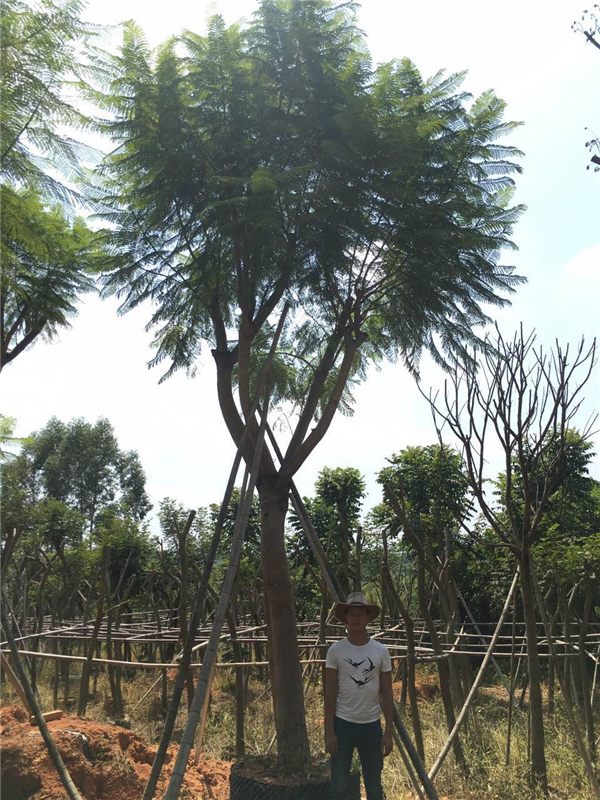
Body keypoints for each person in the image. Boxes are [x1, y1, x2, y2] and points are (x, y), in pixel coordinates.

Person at [324, 591, 393, 800]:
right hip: (342, 724)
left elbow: (387, 692)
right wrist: (329, 731)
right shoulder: (335, 651)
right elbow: (329, 690)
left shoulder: (380, 651)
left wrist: (388, 731)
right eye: (352, 614)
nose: (356, 618)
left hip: (371, 725)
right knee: (339, 787)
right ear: (345, 618)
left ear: (368, 618)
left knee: (374, 786)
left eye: (360, 614)